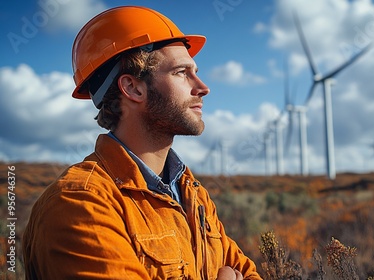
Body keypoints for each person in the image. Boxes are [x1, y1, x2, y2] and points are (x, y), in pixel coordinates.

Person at [22, 5, 262, 280]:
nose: (203, 87)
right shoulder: (82, 203)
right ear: (133, 88)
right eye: (182, 72)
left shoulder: (192, 194)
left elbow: (247, 271)